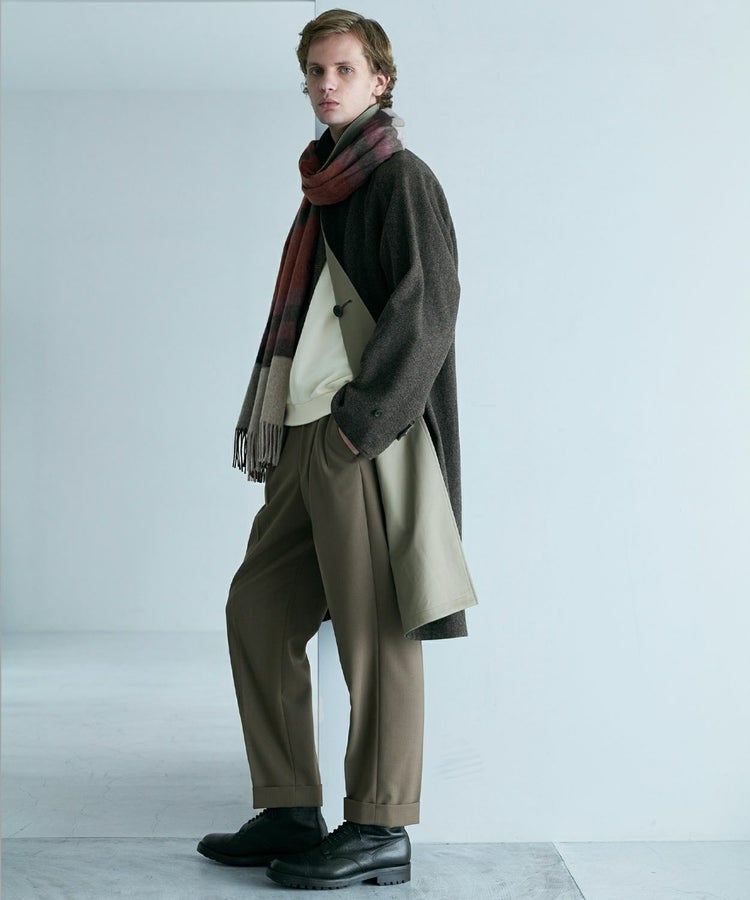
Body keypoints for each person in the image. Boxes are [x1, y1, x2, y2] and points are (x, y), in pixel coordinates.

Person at [197, 8, 476, 891]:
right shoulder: (324, 188)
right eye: (316, 71)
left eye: (344, 69)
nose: (326, 84)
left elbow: (427, 312)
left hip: (357, 439)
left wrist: (362, 425)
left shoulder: (400, 180)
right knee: (257, 608)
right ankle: (289, 805)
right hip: (302, 435)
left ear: (379, 81)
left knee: (375, 631)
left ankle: (380, 826)